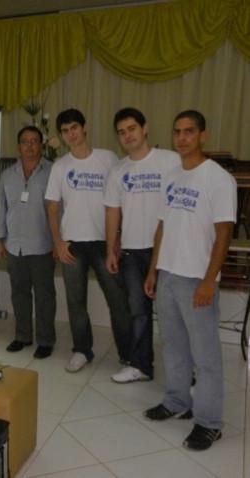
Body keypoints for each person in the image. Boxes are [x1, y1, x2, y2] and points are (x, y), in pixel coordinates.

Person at [143, 110, 236, 451]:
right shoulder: (171, 176)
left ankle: (210, 423)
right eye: (177, 131)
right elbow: (163, 227)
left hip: (198, 278)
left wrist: (210, 281)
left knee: (206, 356)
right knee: (173, 346)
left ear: (202, 135)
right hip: (168, 274)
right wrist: (153, 270)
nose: (182, 138)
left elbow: (224, 232)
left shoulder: (217, 179)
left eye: (189, 132)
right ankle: (176, 400)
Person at [45, 108, 131, 373]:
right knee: (75, 302)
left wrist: (116, 240)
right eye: (65, 130)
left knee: (118, 300)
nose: (70, 134)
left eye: (74, 128)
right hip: (72, 245)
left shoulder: (108, 159)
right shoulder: (60, 166)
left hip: (104, 244)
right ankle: (82, 350)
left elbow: (120, 201)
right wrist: (58, 243)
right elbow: (51, 206)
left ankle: (128, 355)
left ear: (84, 128)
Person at [104, 108, 181, 383]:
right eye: (122, 132)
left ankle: (187, 372)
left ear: (145, 128)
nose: (127, 135)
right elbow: (113, 211)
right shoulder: (118, 171)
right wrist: (111, 248)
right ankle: (141, 366)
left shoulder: (171, 161)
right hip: (132, 251)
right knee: (138, 311)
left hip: (169, 250)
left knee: (175, 314)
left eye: (132, 128)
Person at [0, 126, 56, 358]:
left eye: (34, 141)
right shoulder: (7, 175)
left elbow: (58, 209)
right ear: (18, 146)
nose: (30, 146)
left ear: (41, 145)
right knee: (19, 292)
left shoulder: (53, 172)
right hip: (15, 245)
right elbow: (1, 208)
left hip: (43, 244)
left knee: (44, 295)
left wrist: (59, 243)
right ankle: (22, 336)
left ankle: (46, 339)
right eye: (25, 142)